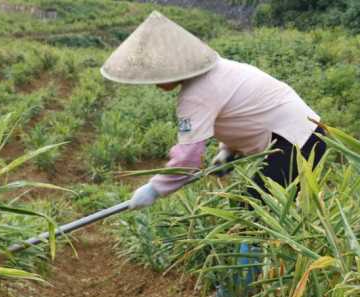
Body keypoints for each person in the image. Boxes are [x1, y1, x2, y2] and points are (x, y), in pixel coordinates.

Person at [100, 11, 326, 210]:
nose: (155, 82)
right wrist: (228, 152)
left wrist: (154, 189)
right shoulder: (221, 70)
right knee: (268, 209)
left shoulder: (196, 95)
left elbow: (187, 160)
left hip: (298, 143)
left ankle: (253, 258)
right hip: (308, 135)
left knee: (254, 210)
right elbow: (242, 113)